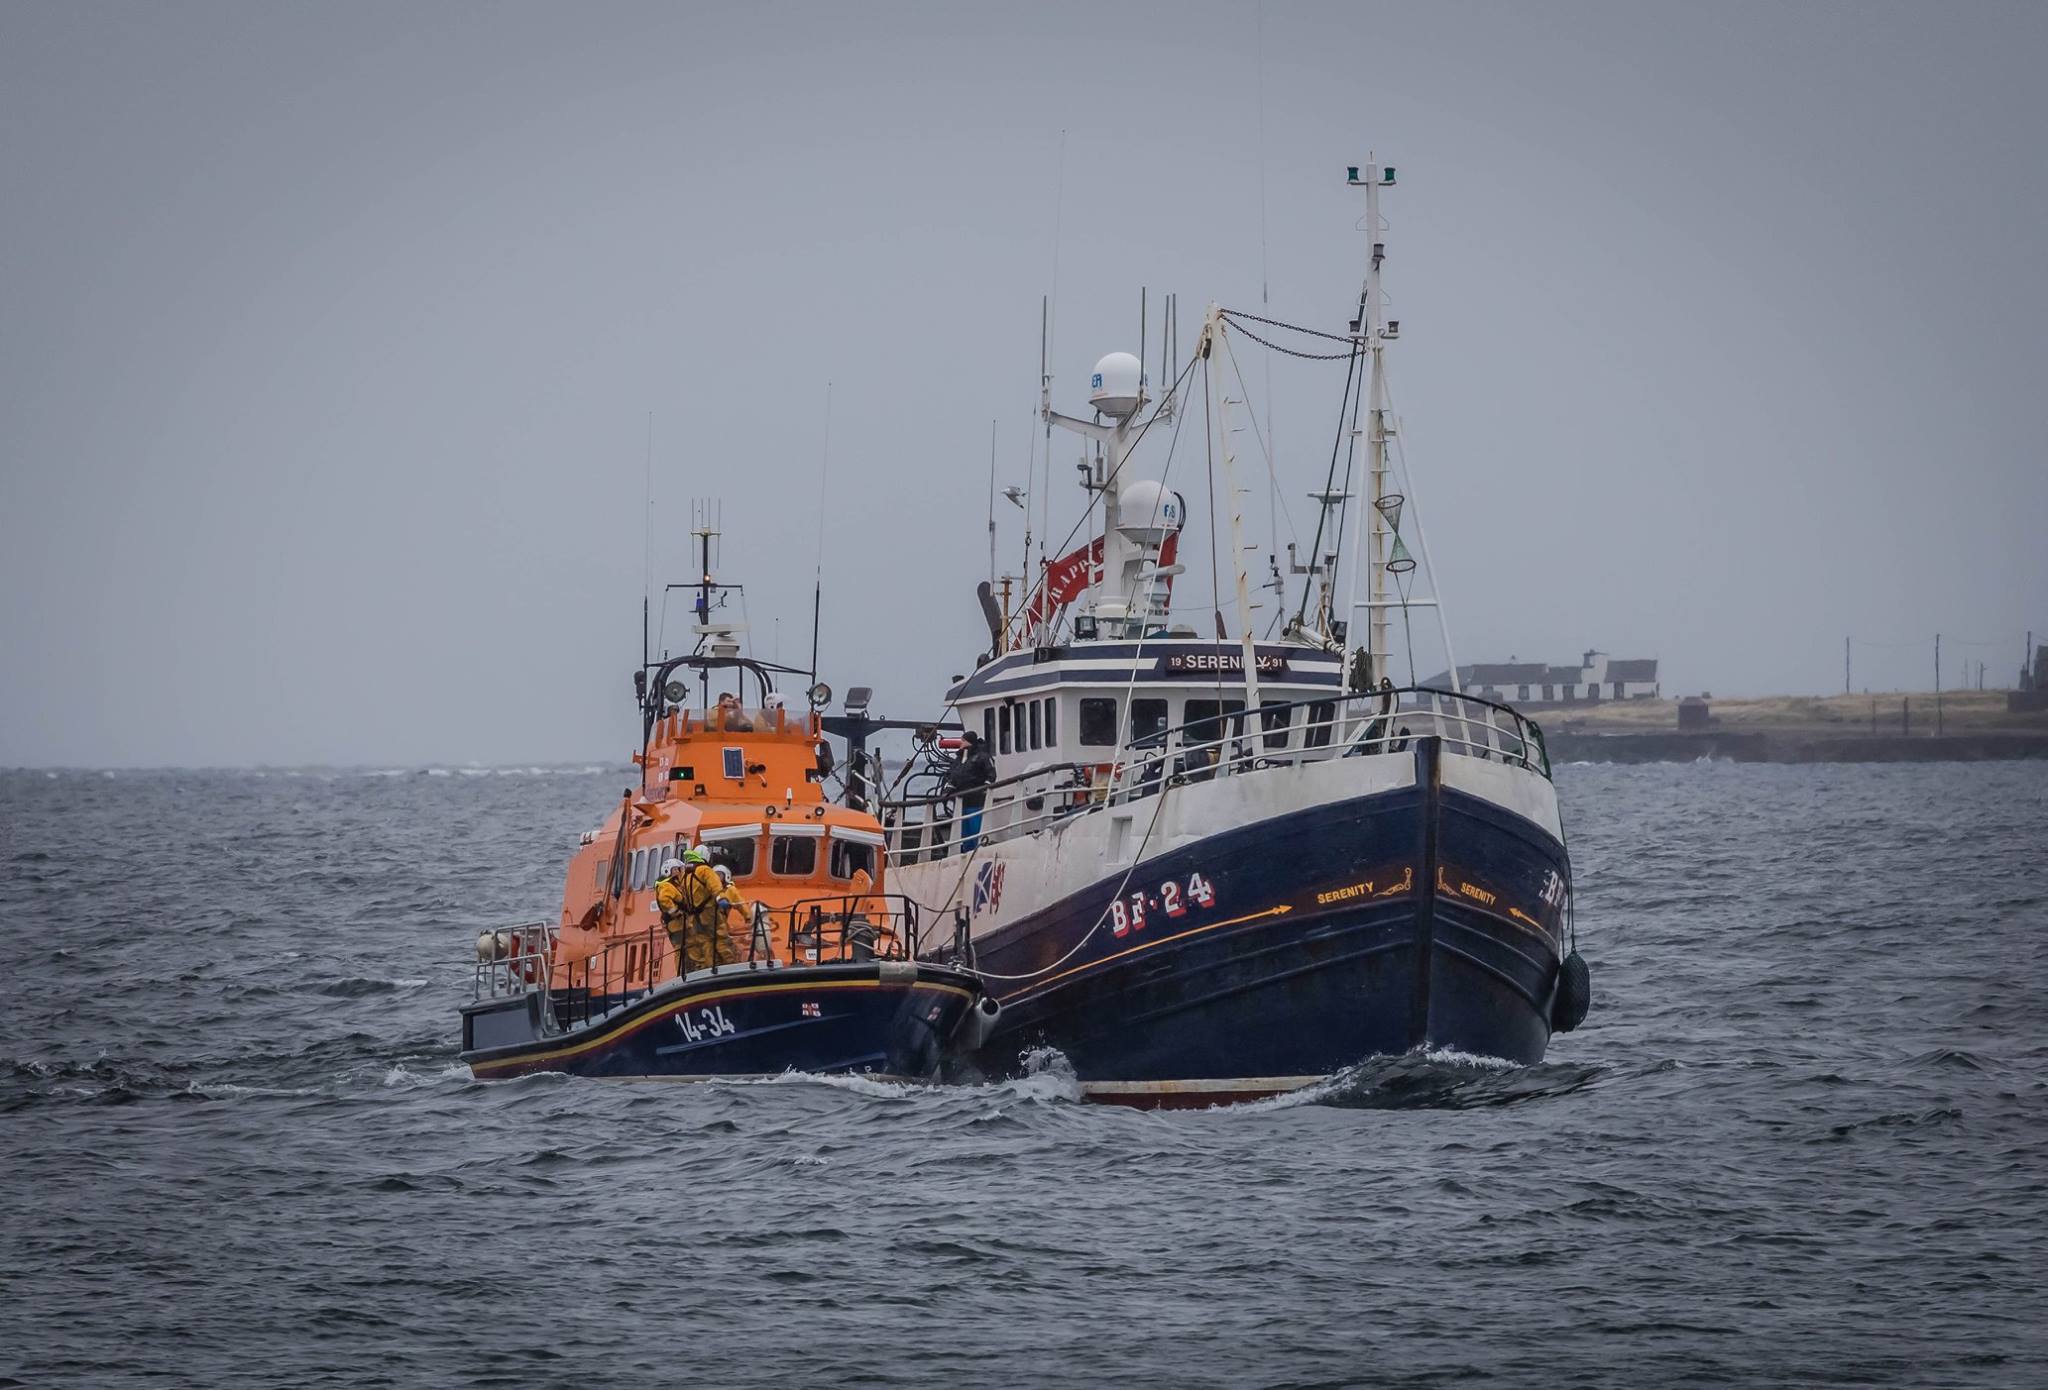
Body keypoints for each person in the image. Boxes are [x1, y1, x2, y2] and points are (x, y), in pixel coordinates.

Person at [656, 849, 728, 974]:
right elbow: (664, 899)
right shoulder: (667, 886)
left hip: (682, 923)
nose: (679, 871)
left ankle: (700, 966)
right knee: (685, 947)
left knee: (693, 944)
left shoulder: (679, 883)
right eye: (676, 869)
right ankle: (695, 968)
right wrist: (675, 911)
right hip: (676, 924)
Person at [943, 729, 998, 852]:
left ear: (969, 742)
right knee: (964, 829)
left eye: (963, 740)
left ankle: (977, 850)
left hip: (976, 799)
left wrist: (984, 788)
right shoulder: (960, 758)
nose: (961, 742)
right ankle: (967, 850)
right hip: (962, 800)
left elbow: (991, 774)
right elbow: (953, 776)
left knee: (975, 827)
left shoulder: (982, 757)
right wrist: (947, 790)